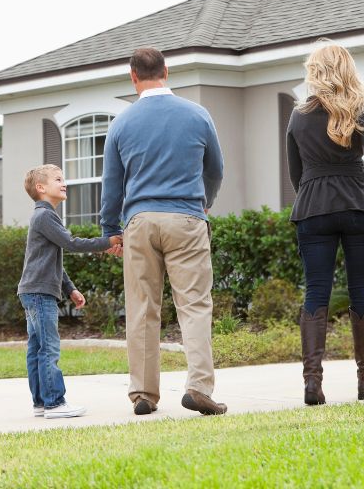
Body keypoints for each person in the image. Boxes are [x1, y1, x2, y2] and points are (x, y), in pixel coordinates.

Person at [99, 47, 227, 416]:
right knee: (195, 306)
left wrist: (111, 229)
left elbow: (112, 185)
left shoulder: (121, 124)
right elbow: (215, 169)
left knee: (142, 308)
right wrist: (205, 202)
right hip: (186, 217)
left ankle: (143, 393)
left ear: (133, 76)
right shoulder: (197, 114)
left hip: (139, 221)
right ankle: (199, 386)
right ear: (166, 72)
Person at [287, 40, 364, 405]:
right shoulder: (361, 110)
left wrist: (312, 193)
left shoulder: (299, 115)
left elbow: (296, 172)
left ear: (315, 72)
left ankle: (312, 383)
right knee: (362, 291)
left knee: (316, 291)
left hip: (313, 208)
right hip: (358, 204)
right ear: (347, 70)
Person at [18, 164, 122, 418]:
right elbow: (71, 243)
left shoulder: (43, 217)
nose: (64, 183)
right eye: (58, 179)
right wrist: (106, 242)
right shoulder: (45, 216)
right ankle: (55, 403)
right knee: (49, 348)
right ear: (41, 188)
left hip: (33, 290)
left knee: (37, 348)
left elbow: (51, 260)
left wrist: (71, 289)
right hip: (40, 293)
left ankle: (41, 402)